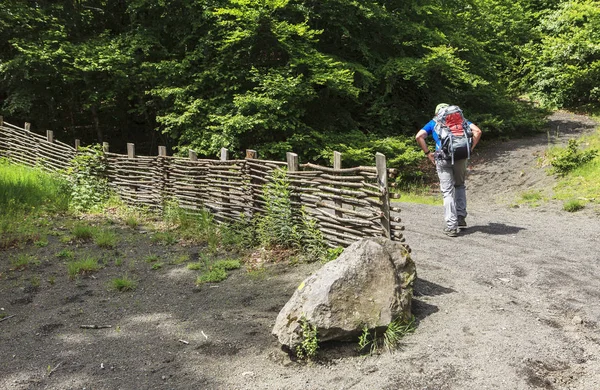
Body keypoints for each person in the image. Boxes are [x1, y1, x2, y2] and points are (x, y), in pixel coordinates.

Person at [415, 103, 482, 237]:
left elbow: (419, 136)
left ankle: (451, 226)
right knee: (460, 186)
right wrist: (470, 148)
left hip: (442, 159)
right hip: (461, 158)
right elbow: (478, 131)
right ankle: (461, 218)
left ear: (437, 113)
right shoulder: (461, 121)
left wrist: (428, 153)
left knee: (447, 192)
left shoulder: (434, 122)